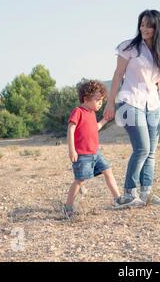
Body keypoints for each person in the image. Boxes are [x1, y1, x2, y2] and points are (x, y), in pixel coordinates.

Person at [103, 10, 160, 208]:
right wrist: (110, 102)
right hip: (130, 101)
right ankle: (128, 194)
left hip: (152, 105)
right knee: (142, 148)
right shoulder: (129, 47)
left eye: (149, 25)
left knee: (151, 152)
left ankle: (146, 194)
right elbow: (118, 74)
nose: (144, 29)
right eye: (142, 24)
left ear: (158, 27)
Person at [62, 80, 121, 218]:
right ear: (86, 98)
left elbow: (95, 128)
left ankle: (118, 199)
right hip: (82, 155)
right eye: (98, 100)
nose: (100, 103)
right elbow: (71, 129)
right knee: (80, 180)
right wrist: (72, 149)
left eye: (102, 100)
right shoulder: (78, 111)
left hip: (96, 153)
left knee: (108, 171)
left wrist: (105, 120)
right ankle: (68, 207)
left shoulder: (92, 113)